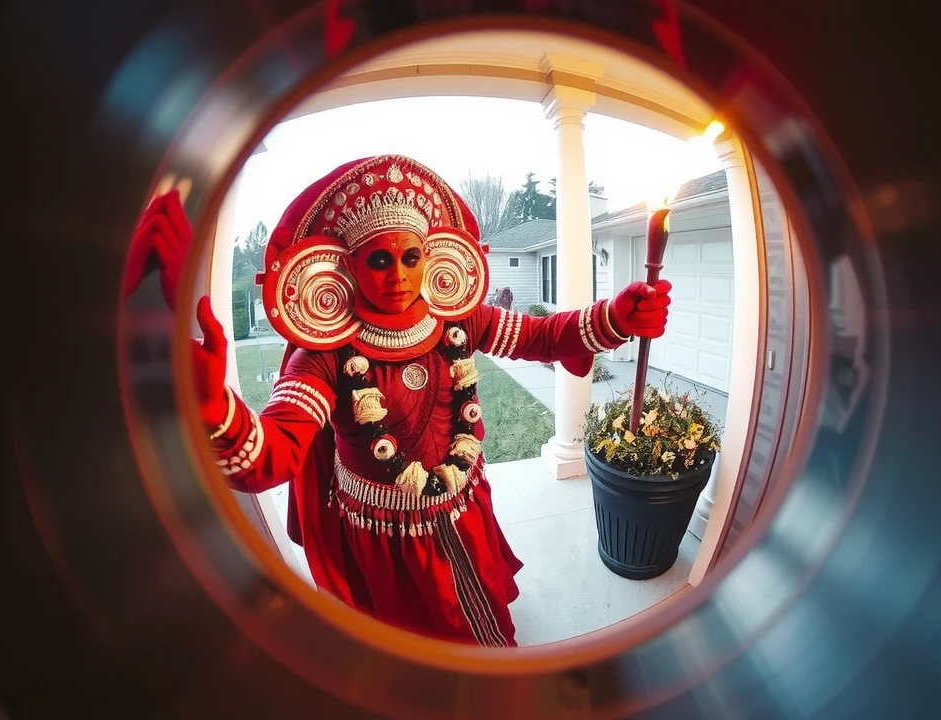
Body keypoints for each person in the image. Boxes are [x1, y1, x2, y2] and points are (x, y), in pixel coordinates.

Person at [125, 154, 672, 646]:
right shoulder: (323, 355)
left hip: (463, 506)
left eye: (411, 257)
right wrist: (214, 409)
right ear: (348, 267)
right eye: (380, 262)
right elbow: (275, 452)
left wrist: (617, 318)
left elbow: (538, 336)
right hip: (385, 537)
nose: (399, 277)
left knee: (483, 627)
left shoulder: (459, 317)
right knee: (415, 652)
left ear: (431, 257)